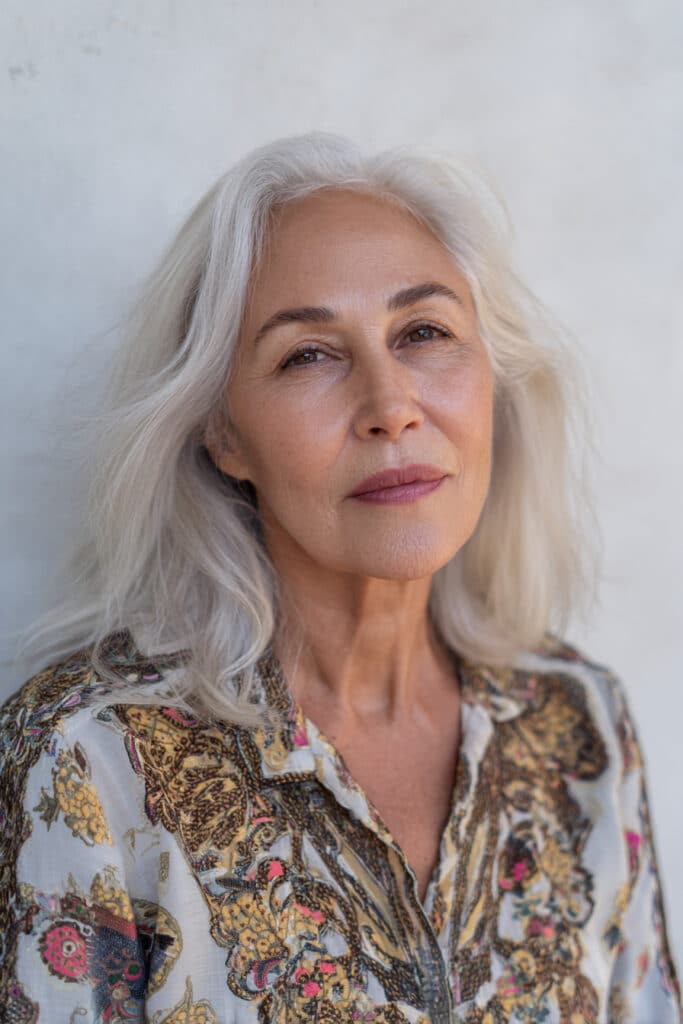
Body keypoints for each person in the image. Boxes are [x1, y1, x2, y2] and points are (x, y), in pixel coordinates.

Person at [0, 132, 679, 1024]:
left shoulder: (576, 720)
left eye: (424, 332)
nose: (390, 406)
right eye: (308, 354)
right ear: (223, 434)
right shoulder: (86, 755)